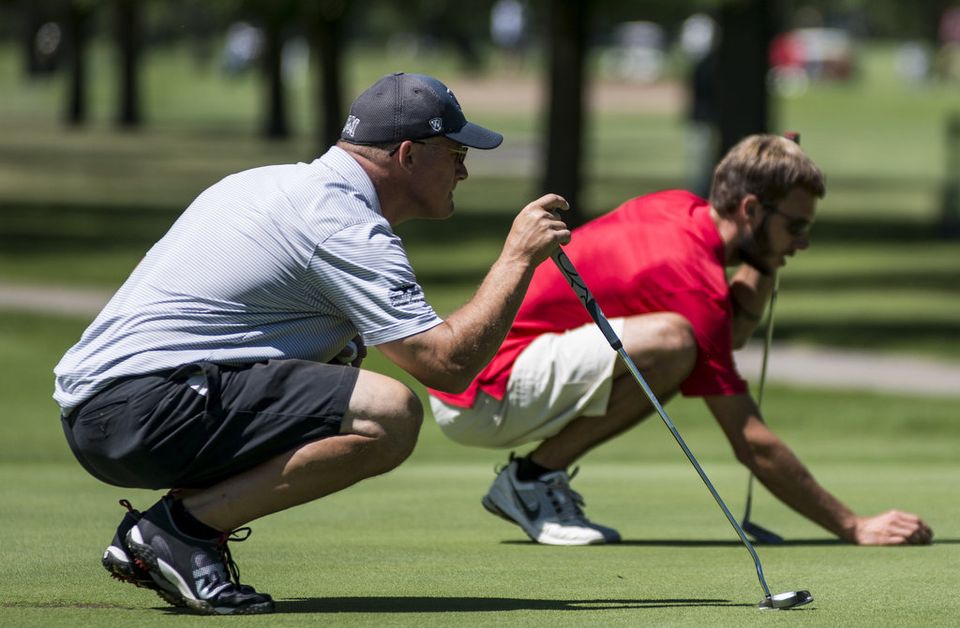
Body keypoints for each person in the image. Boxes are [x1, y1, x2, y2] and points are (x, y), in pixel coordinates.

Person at [54, 72, 571, 615]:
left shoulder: (266, 182)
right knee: (388, 415)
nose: (463, 170)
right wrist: (517, 259)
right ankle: (179, 532)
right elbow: (447, 364)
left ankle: (173, 533)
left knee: (341, 376)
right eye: (455, 152)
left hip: (105, 411)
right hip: (142, 408)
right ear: (408, 154)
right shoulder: (341, 222)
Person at [428, 134, 934, 548]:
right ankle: (531, 481)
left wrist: (765, 257)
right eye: (796, 226)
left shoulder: (681, 209)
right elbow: (750, 439)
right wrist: (853, 525)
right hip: (483, 393)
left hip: (491, 376)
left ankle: (532, 479)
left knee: (680, 344)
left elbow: (727, 334)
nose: (803, 242)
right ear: (751, 208)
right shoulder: (691, 279)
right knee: (673, 342)